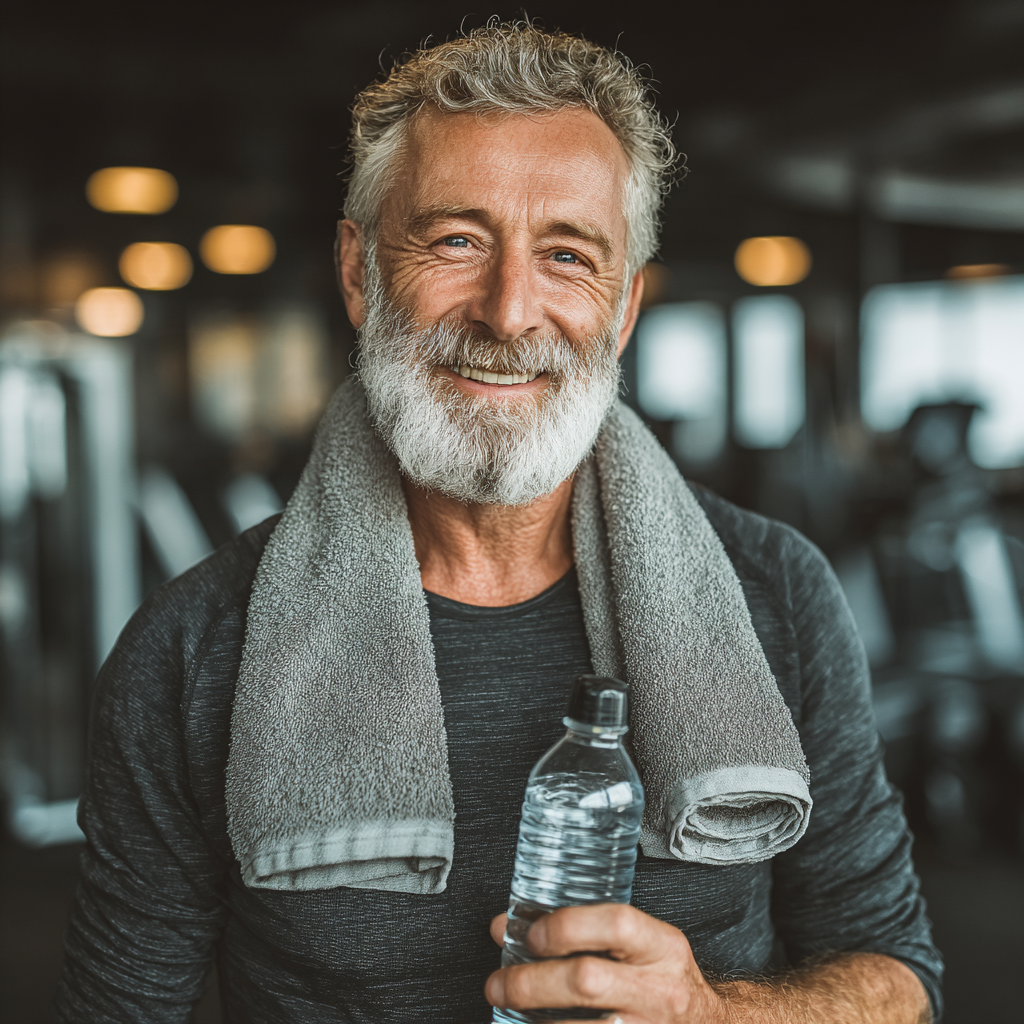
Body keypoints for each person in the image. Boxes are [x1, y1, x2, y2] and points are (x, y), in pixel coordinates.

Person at [56, 22, 941, 1024]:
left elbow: (897, 973)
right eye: (455, 240)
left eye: (566, 254)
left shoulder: (773, 591)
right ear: (359, 272)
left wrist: (715, 1014)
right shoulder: (191, 648)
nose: (509, 310)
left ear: (622, 310)